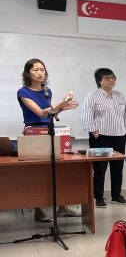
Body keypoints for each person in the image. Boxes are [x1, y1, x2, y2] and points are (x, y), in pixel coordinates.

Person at [16, 58, 79, 222]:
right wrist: (60, 104)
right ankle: (38, 210)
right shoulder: (23, 92)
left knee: (59, 169)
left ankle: (62, 207)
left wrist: (60, 108)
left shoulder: (47, 91)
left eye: (42, 69)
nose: (39, 73)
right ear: (27, 73)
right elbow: (40, 113)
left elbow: (50, 114)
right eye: (35, 69)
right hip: (33, 132)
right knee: (37, 172)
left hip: (49, 131)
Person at [81, 67, 126, 207]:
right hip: (101, 136)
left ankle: (116, 195)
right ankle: (99, 197)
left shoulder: (119, 95)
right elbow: (86, 115)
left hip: (119, 135)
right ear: (99, 81)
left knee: (117, 167)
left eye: (113, 77)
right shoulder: (92, 96)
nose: (111, 80)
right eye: (107, 78)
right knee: (100, 168)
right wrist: (94, 131)